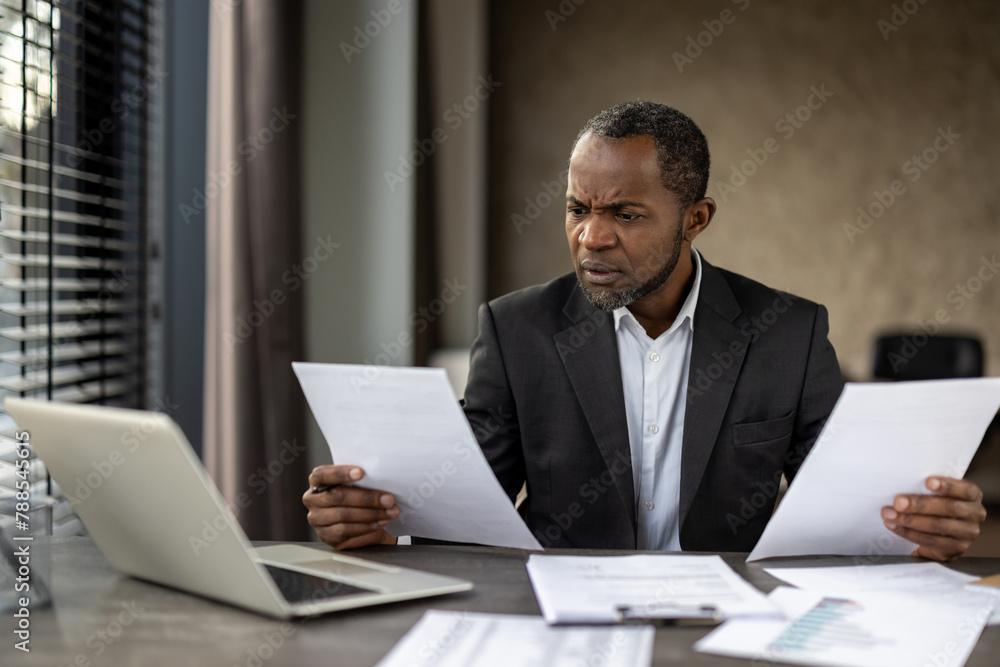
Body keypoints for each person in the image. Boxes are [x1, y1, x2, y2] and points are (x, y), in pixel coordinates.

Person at [303, 101, 986, 560]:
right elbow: (462, 503)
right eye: (576, 208)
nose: (591, 237)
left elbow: (847, 508)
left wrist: (918, 527)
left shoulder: (790, 332)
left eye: (626, 214)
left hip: (729, 624)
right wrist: (376, 514)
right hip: (561, 627)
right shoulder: (516, 330)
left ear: (696, 218)